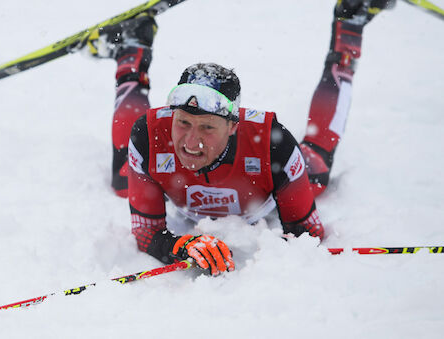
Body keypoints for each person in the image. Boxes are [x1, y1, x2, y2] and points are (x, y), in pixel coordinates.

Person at [86, 0, 394, 276]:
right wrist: (182, 245)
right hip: (185, 204)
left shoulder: (274, 145)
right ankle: (132, 48)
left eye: (207, 127)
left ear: (233, 126)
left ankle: (349, 23)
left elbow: (306, 239)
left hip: (263, 203)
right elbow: (145, 234)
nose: (191, 143)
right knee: (123, 179)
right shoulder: (150, 135)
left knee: (317, 168)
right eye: (183, 123)